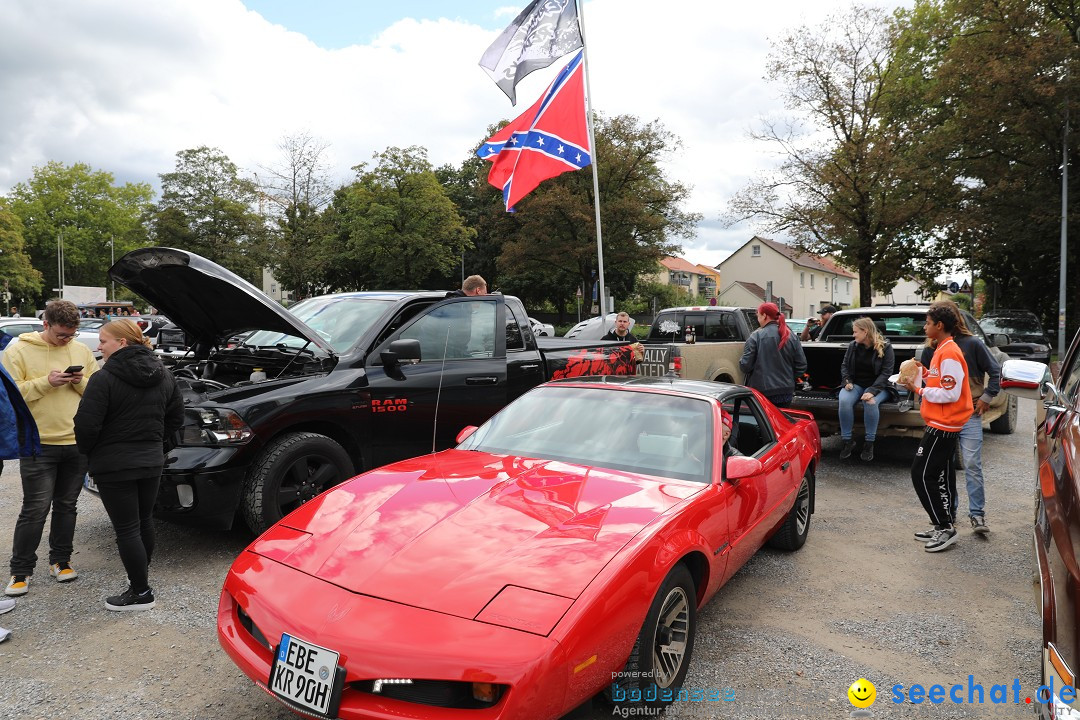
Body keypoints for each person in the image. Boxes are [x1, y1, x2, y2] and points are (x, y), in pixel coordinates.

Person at [74, 319, 183, 611]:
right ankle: (140, 577)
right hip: (150, 462)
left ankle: (141, 592)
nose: (98, 346)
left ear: (122, 343)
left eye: (103, 340)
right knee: (143, 521)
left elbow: (86, 425)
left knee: (127, 528)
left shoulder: (103, 378)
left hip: (115, 465)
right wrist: (157, 447)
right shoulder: (165, 375)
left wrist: (90, 454)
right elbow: (175, 421)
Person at [4, 299, 98, 596]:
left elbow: (96, 391)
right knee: (35, 509)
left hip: (75, 441)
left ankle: (60, 560)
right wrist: (48, 382)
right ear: (45, 324)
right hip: (38, 443)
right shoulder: (17, 350)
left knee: (67, 505)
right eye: (61, 335)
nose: (67, 340)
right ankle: (20, 571)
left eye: (71, 335)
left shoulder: (81, 350)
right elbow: (8, 396)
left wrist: (79, 382)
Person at [920, 302, 1000, 535]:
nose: (926, 326)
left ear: (945, 322)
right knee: (944, 467)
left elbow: (995, 371)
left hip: (970, 414)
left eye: (929, 321)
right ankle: (948, 515)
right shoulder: (933, 348)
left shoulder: (972, 344)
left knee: (972, 464)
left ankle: (977, 514)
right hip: (944, 418)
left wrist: (986, 396)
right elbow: (932, 382)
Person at [899, 302, 973, 553]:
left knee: (921, 474)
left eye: (928, 323)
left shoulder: (950, 352)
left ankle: (945, 528)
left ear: (939, 326)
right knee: (936, 475)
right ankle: (941, 523)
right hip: (939, 422)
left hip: (944, 425)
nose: (924, 327)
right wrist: (925, 371)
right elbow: (943, 379)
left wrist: (918, 390)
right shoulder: (943, 349)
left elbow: (950, 393)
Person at [838, 317, 895, 462]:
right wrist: (847, 381)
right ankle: (847, 441)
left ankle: (869, 443)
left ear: (865, 331)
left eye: (855, 332)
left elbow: (886, 373)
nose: (853, 335)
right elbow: (844, 366)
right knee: (844, 400)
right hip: (856, 385)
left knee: (870, 402)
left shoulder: (886, 347)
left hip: (879, 387)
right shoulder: (853, 346)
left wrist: (872, 391)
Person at [739, 302, 807, 408]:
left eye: (758, 316)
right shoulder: (792, 336)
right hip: (786, 392)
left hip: (762, 393)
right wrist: (789, 377)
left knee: (765, 423)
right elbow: (801, 365)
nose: (758, 319)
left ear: (764, 316)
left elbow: (745, 366)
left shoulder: (755, 337)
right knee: (781, 422)